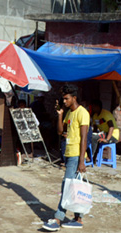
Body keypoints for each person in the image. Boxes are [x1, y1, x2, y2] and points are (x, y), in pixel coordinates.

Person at [42, 85, 88, 231]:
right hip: (68, 154)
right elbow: (60, 131)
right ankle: (78, 219)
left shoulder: (82, 113)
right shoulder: (70, 113)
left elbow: (84, 139)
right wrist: (60, 114)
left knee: (66, 186)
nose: (65, 101)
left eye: (67, 98)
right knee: (74, 187)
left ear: (74, 97)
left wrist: (82, 161)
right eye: (63, 98)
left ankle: (57, 219)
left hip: (76, 155)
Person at [87, 99, 120, 164]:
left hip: (112, 135)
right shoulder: (95, 116)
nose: (92, 108)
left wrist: (107, 139)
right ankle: (91, 157)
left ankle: (91, 156)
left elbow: (111, 127)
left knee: (94, 138)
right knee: (91, 137)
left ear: (98, 106)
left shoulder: (106, 114)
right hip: (103, 133)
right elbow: (95, 127)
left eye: (93, 106)